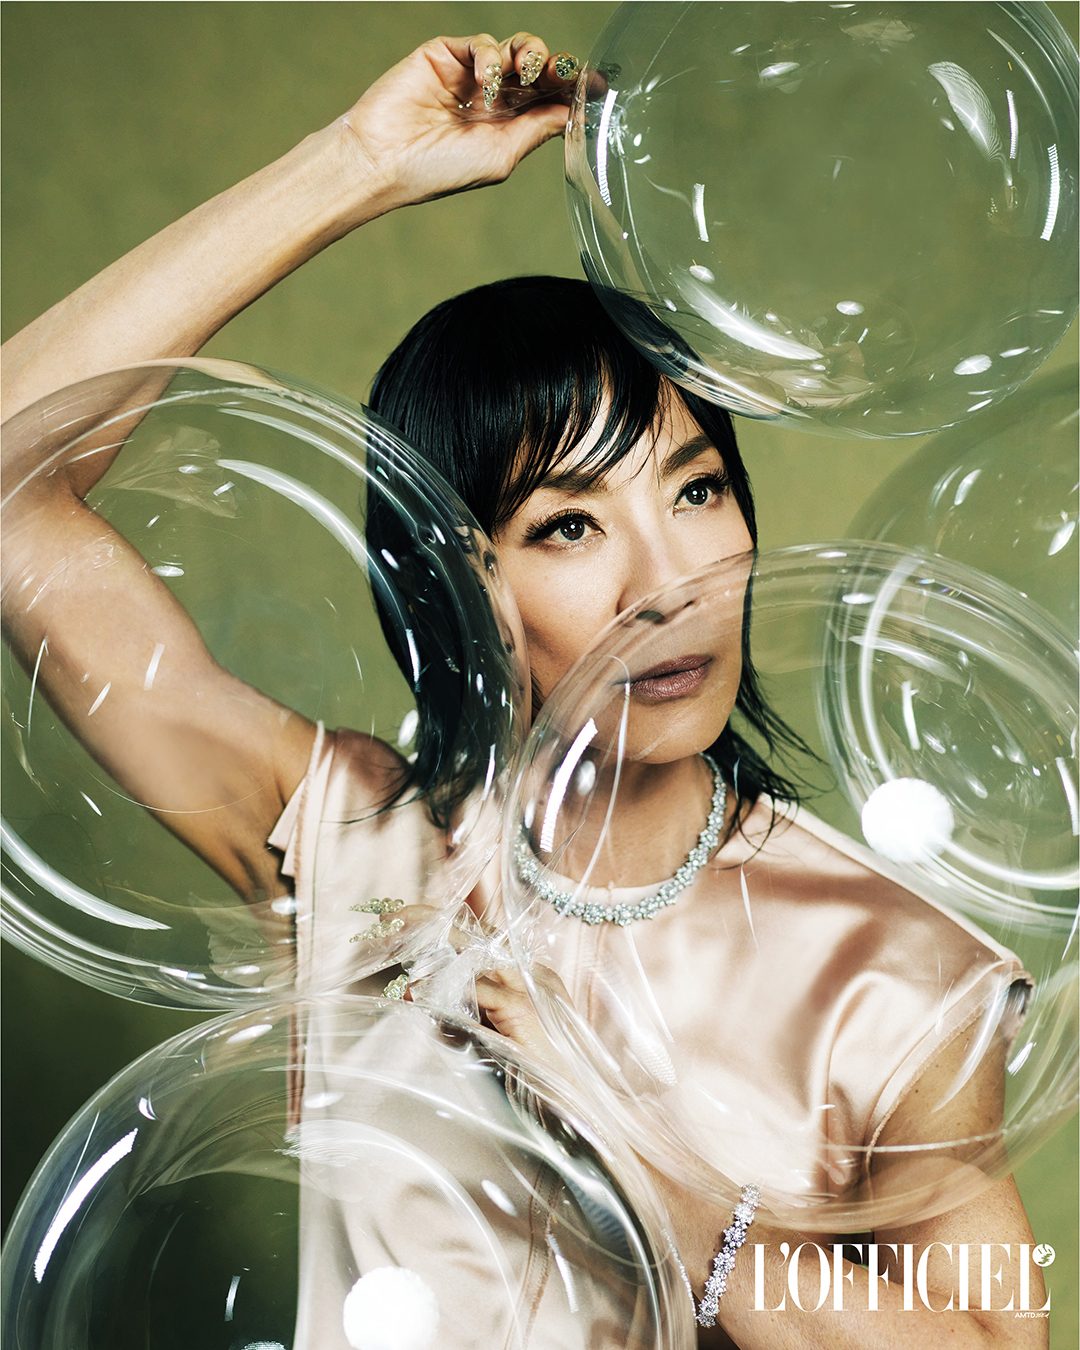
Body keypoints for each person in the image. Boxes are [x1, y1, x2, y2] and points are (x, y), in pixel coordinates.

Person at [1, 31, 1046, 1349]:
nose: (668, 583)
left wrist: (655, 1171)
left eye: (696, 490)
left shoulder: (892, 971)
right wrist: (354, 164)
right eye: (568, 526)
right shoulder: (359, 848)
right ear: (459, 578)